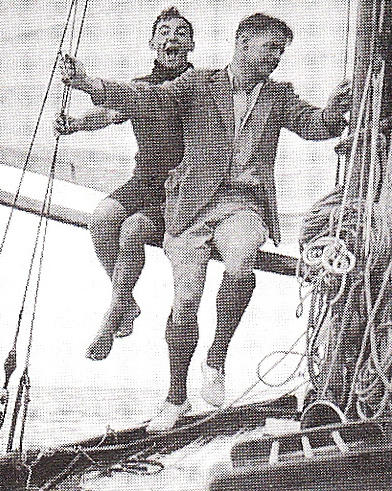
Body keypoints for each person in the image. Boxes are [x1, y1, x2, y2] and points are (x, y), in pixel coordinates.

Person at [62, 13, 352, 431]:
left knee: (240, 259)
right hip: (191, 208)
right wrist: (90, 84)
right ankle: (175, 398)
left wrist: (334, 111)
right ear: (244, 43)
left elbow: (313, 126)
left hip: (243, 206)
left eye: (281, 51)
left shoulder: (279, 95)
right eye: (271, 48)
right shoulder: (199, 85)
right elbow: (147, 99)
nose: (276, 58)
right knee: (185, 304)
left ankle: (216, 359)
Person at [54, 7, 194, 361]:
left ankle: (111, 315)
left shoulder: (200, 87)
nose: (171, 38)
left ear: (191, 45)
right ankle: (125, 302)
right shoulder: (141, 86)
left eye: (180, 33)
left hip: (181, 189)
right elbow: (111, 112)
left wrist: (89, 83)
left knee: (132, 229)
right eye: (163, 32)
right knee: (101, 219)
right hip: (143, 182)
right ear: (151, 42)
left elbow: (135, 100)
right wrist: (74, 125)